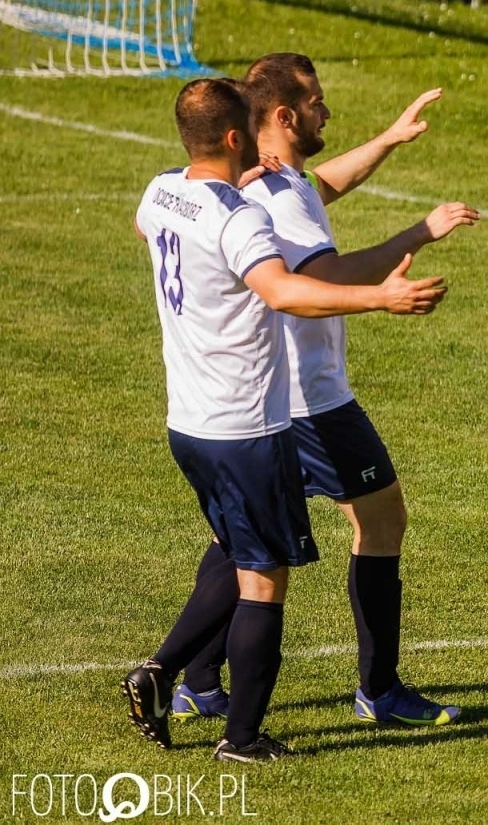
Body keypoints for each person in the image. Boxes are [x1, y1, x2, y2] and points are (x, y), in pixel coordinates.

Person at [124, 78, 447, 762]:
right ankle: (235, 731)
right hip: (247, 421)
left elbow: (149, 226)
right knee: (264, 576)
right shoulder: (239, 218)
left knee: (241, 550)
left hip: (188, 420)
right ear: (242, 135)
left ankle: (184, 680)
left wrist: (384, 140)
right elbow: (286, 288)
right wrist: (381, 300)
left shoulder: (162, 192)